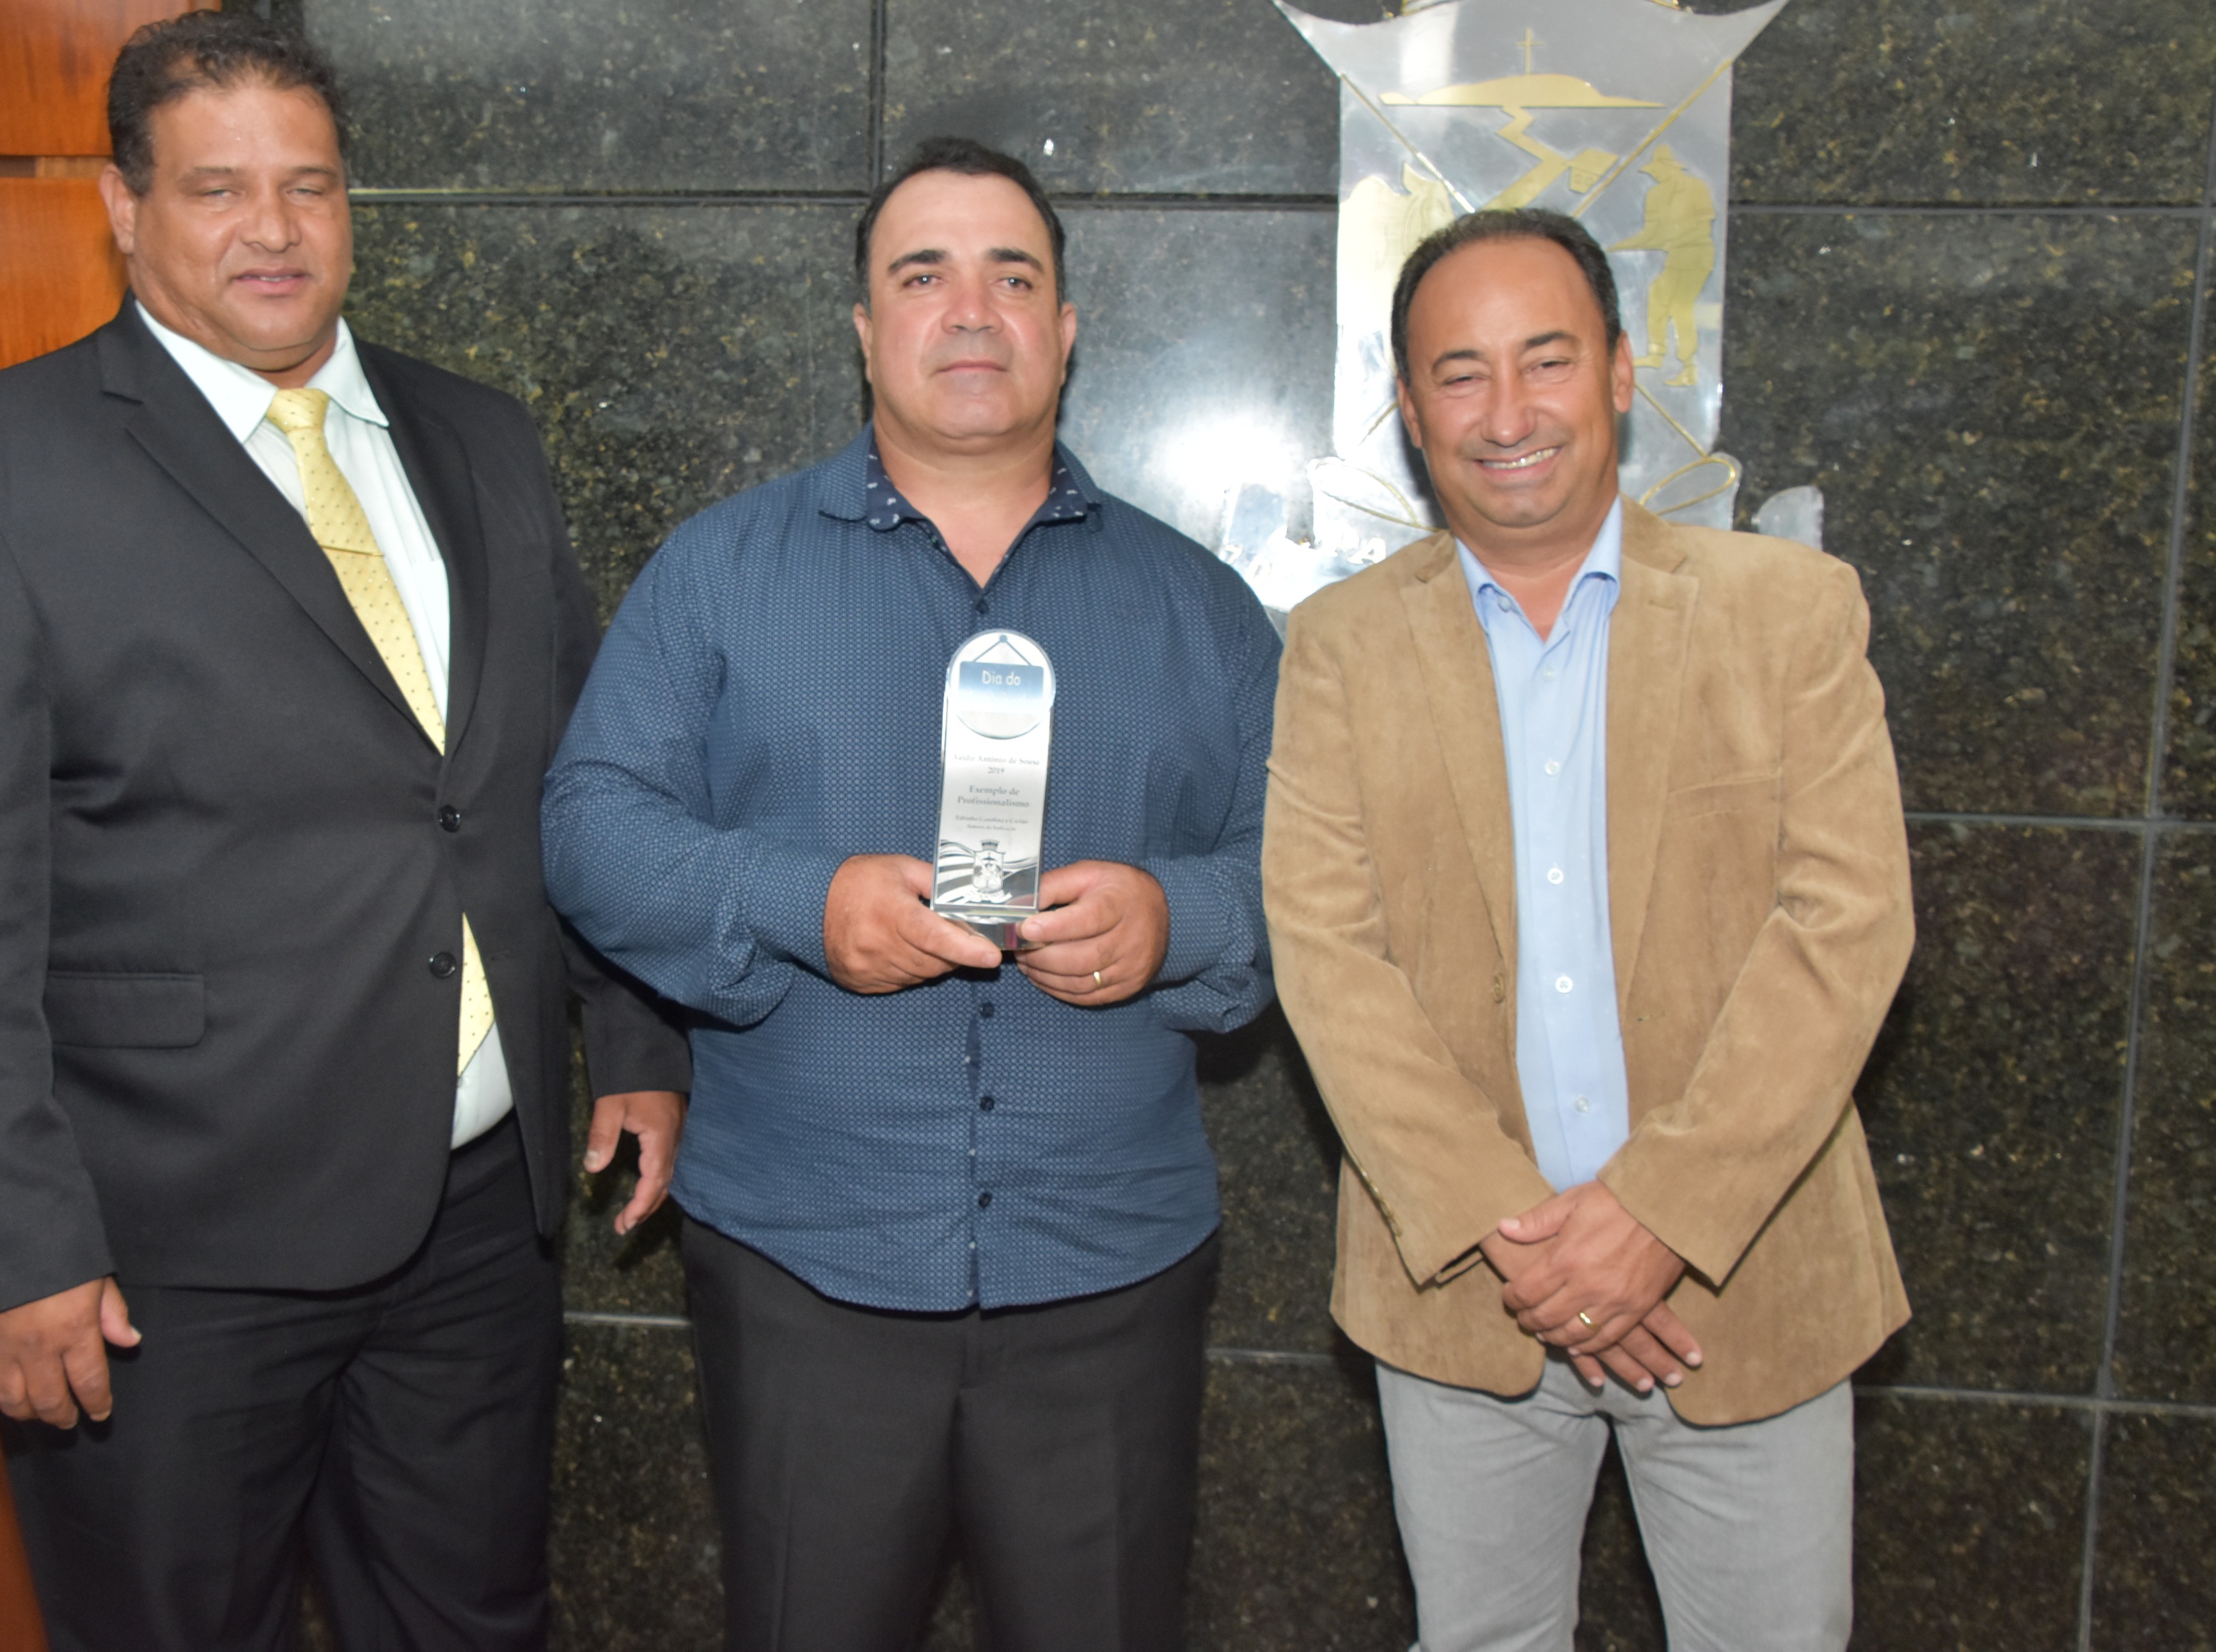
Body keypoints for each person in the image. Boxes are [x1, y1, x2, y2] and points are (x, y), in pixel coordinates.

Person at [0, 15, 687, 1650]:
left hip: (474, 1223)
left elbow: (560, 779)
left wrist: (635, 1038)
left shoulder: (481, 436)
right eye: (217, 188)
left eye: (310, 185)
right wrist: (9, 1249)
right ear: (123, 206)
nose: (273, 229)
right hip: (162, 1259)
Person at [542, 136, 1280, 1652]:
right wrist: (800, 903)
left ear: (1064, 328)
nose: (970, 309)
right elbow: (588, 826)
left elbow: (1313, 879)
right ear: (865, 328)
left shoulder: (1201, 608)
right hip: (805, 1268)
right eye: (922, 274)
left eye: (1012, 276)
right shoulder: (719, 573)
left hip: (1108, 1274)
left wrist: (1178, 921)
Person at [1263, 206, 1912, 1651]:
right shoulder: (1341, 646)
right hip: (1464, 1298)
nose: (1507, 414)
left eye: (1546, 360)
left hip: (1747, 1284)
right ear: (1410, 408)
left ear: (1620, 370)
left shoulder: (1788, 614)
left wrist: (1658, 1215)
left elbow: (1848, 925)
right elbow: (1327, 958)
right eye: (1461, 373)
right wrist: (1531, 1242)